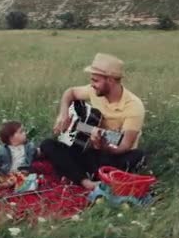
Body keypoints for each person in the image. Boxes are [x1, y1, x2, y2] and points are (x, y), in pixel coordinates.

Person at [40, 53, 146, 190]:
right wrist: (63, 113)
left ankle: (79, 174)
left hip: (114, 153)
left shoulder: (134, 106)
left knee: (137, 156)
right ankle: (87, 182)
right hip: (90, 149)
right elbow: (70, 92)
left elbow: (124, 145)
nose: (92, 84)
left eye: (95, 80)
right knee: (48, 145)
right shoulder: (94, 91)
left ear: (110, 81)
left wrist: (103, 146)